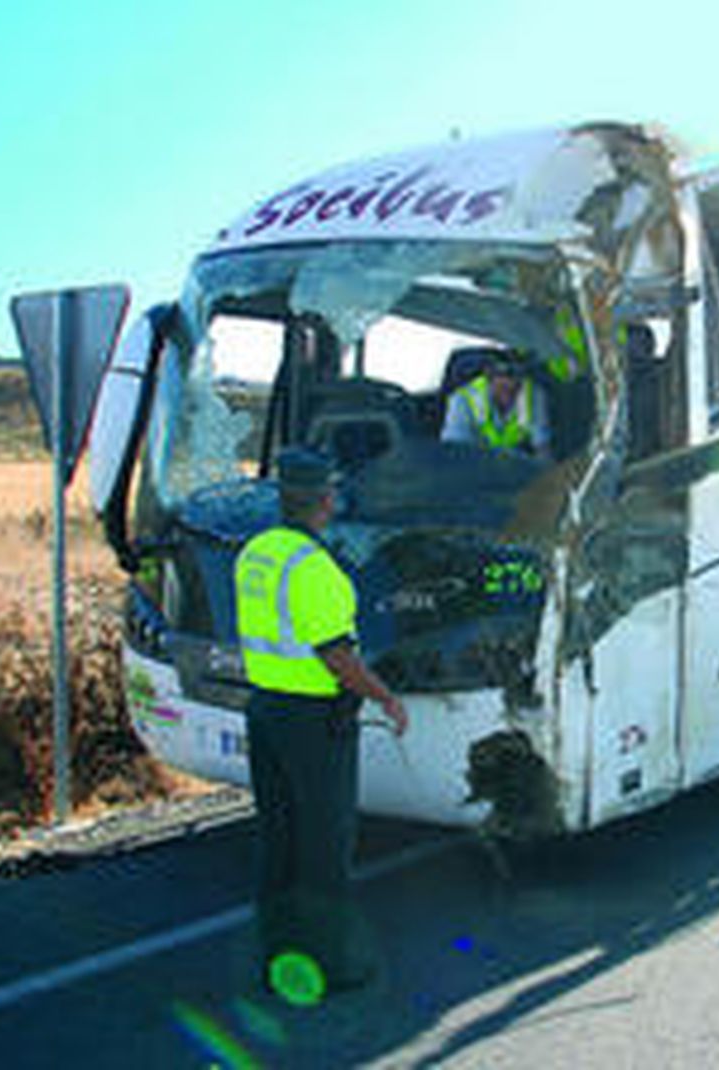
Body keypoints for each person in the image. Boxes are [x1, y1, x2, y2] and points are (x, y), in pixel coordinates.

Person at [234, 447, 409, 1003]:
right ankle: (329, 967)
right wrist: (386, 699)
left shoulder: (255, 553)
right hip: (314, 722)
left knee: (278, 842)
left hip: (265, 710)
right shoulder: (316, 571)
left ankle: (275, 960)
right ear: (327, 501)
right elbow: (337, 656)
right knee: (324, 849)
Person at [441, 354, 551, 458]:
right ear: (489, 376)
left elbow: (543, 449)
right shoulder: (463, 400)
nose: (510, 385)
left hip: (517, 469)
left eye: (516, 378)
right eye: (503, 378)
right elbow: (457, 454)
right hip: (477, 470)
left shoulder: (533, 395)